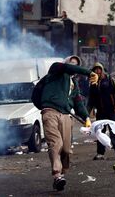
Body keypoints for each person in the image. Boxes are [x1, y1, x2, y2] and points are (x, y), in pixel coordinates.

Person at [41, 55, 97, 191]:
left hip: (66, 116)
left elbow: (78, 103)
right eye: (72, 63)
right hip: (50, 112)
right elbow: (67, 67)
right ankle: (57, 175)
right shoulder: (56, 69)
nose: (74, 66)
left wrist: (86, 118)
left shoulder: (74, 84)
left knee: (66, 149)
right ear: (66, 63)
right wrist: (89, 72)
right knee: (56, 143)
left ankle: (61, 175)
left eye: (76, 64)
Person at [88, 62, 115, 160]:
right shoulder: (93, 83)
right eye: (95, 69)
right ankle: (100, 153)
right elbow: (91, 99)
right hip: (100, 111)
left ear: (102, 70)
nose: (97, 71)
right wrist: (87, 112)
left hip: (112, 110)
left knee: (114, 131)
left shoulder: (110, 80)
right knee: (100, 132)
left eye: (98, 69)